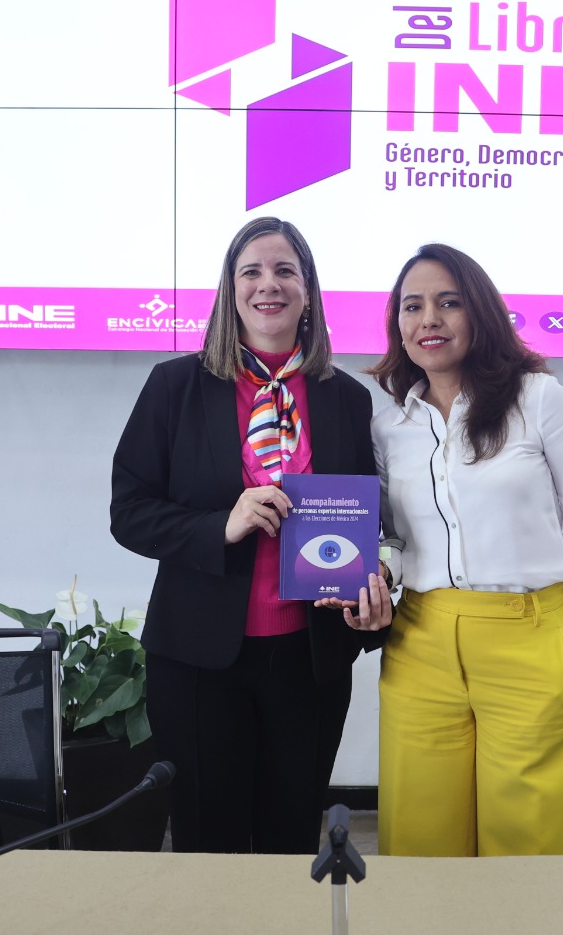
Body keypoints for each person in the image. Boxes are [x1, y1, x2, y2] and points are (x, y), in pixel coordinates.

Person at [110, 216, 390, 854]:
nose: (270, 285)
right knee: (210, 840)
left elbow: (366, 520)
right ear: (229, 290)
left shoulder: (346, 398)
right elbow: (128, 511)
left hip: (309, 662)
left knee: (290, 839)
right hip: (200, 662)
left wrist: (372, 587)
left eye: (286, 270)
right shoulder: (175, 387)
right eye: (252, 271)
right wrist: (220, 525)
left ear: (309, 290)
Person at [368, 243, 563, 856]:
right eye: (412, 306)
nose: (429, 319)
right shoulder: (390, 427)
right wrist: (378, 565)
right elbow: (395, 535)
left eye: (448, 303)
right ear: (397, 326)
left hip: (531, 642)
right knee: (421, 843)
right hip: (421, 644)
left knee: (525, 849)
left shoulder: (539, 400)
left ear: (479, 313)